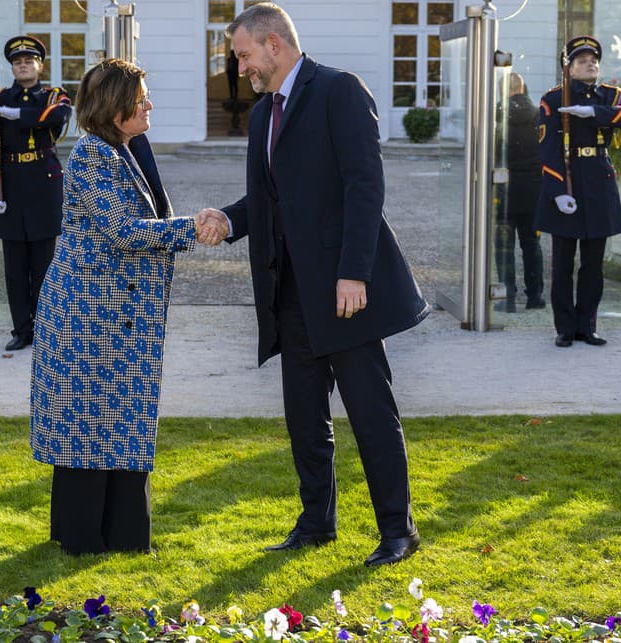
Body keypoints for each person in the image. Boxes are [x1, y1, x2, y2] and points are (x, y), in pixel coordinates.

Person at [196, 3, 429, 566]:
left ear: (275, 44)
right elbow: (270, 200)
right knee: (304, 416)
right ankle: (316, 522)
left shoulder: (338, 90)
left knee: (371, 412)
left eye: (244, 55)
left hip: (343, 292)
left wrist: (354, 272)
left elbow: (364, 186)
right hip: (289, 292)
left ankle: (398, 531)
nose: (240, 66)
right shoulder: (261, 115)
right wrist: (229, 220)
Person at [29, 58, 225, 555]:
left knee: (115, 425)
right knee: (88, 429)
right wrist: (191, 228)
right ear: (117, 109)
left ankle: (122, 538)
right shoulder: (94, 156)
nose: (149, 105)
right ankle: (83, 540)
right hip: (89, 316)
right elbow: (123, 232)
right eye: (141, 98)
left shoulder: (119, 149)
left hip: (112, 315)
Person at [535, 36, 621, 347]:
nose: (590, 64)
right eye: (581, 60)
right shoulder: (552, 99)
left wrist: (594, 112)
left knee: (594, 263)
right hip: (567, 181)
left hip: (598, 180)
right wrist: (557, 191)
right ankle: (565, 328)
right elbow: (548, 149)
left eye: (593, 59)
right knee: (563, 263)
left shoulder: (611, 95)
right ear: (568, 68)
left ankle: (587, 325)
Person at [0, 35, 73, 351]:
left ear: (39, 65)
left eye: (28, 61)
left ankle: (46, 327)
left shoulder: (54, 96)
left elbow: (59, 117)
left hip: (44, 185)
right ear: (12, 67)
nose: (23, 65)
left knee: (44, 265)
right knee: (15, 267)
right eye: (17, 62)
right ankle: (22, 330)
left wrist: (20, 116)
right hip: (12, 186)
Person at [494, 72, 545, 313]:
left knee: (504, 245)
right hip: (533, 188)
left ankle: (508, 296)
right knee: (531, 244)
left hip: (505, 189)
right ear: (523, 88)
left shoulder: (495, 115)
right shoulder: (538, 114)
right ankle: (535, 296)